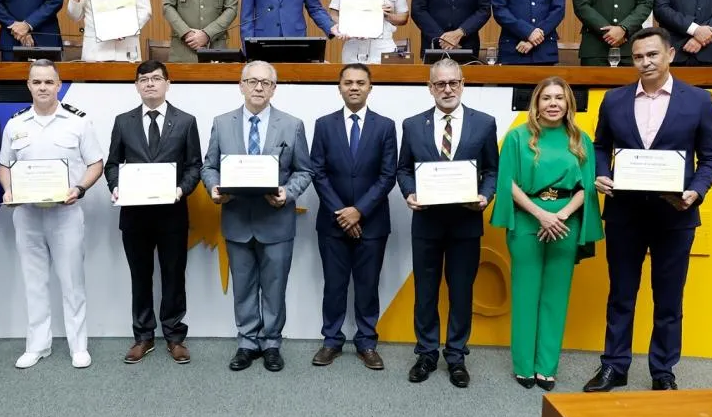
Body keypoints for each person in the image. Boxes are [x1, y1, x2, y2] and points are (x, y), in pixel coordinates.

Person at [583, 27, 712, 393]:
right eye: (638, 57)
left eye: (652, 55)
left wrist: (696, 191)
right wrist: (602, 173)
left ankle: (663, 370)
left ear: (670, 55)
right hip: (624, 213)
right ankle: (614, 366)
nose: (645, 62)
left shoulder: (699, 101)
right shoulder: (614, 100)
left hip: (675, 216)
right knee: (621, 295)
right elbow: (600, 146)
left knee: (669, 299)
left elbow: (711, 158)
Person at [491, 77, 603, 391]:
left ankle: (546, 367)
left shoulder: (581, 140)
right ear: (536, 103)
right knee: (525, 294)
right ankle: (524, 366)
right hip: (528, 220)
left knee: (556, 296)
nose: (553, 104)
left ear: (569, 103)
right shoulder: (516, 138)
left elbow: (587, 185)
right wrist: (541, 214)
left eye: (559, 98)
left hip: (566, 221)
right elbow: (507, 183)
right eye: (546, 98)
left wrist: (561, 215)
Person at [200, 61, 312, 372]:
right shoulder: (222, 123)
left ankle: (272, 342)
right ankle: (248, 341)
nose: (258, 87)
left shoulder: (292, 125)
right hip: (236, 220)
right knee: (244, 286)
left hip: (276, 221)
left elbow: (304, 170)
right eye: (252, 81)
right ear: (241, 85)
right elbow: (209, 167)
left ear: (274, 88)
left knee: (274, 287)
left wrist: (287, 193)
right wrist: (214, 188)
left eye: (265, 82)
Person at [396, 57, 498, 387]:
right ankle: (426, 353)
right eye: (440, 84)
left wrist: (485, 196)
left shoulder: (484, 123)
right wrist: (409, 193)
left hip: (466, 223)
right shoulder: (412, 125)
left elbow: (492, 171)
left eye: (453, 82)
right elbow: (403, 170)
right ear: (430, 88)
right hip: (426, 223)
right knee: (425, 292)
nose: (447, 89)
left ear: (463, 83)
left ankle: (456, 356)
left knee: (461, 292)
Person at [0, 60, 104, 369]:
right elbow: (4, 165)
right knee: (34, 281)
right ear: (28, 86)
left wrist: (80, 189)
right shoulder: (16, 124)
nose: (43, 87)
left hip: (65, 213)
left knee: (72, 282)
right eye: (37, 82)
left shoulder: (77, 122)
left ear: (58, 85)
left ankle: (78, 346)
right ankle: (38, 344)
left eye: (48, 82)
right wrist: (8, 189)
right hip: (27, 214)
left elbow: (96, 163)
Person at [105, 60, 203, 365]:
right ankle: (143, 336)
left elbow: (194, 166)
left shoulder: (185, 121)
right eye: (144, 79)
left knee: (174, 275)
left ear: (167, 83)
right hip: (134, 215)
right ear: (136, 85)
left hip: (172, 213)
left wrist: (180, 190)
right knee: (140, 276)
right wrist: (116, 186)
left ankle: (175, 336)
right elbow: (111, 165)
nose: (150, 83)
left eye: (156, 78)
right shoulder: (123, 121)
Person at [309, 64, 397, 370]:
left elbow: (388, 176)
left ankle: (366, 341)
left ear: (370, 88)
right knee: (334, 285)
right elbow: (317, 172)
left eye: (361, 82)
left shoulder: (385, 126)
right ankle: (331, 340)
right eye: (348, 82)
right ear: (340, 87)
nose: (355, 87)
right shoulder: (323, 124)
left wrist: (359, 210)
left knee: (367, 285)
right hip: (332, 223)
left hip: (372, 222)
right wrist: (342, 213)